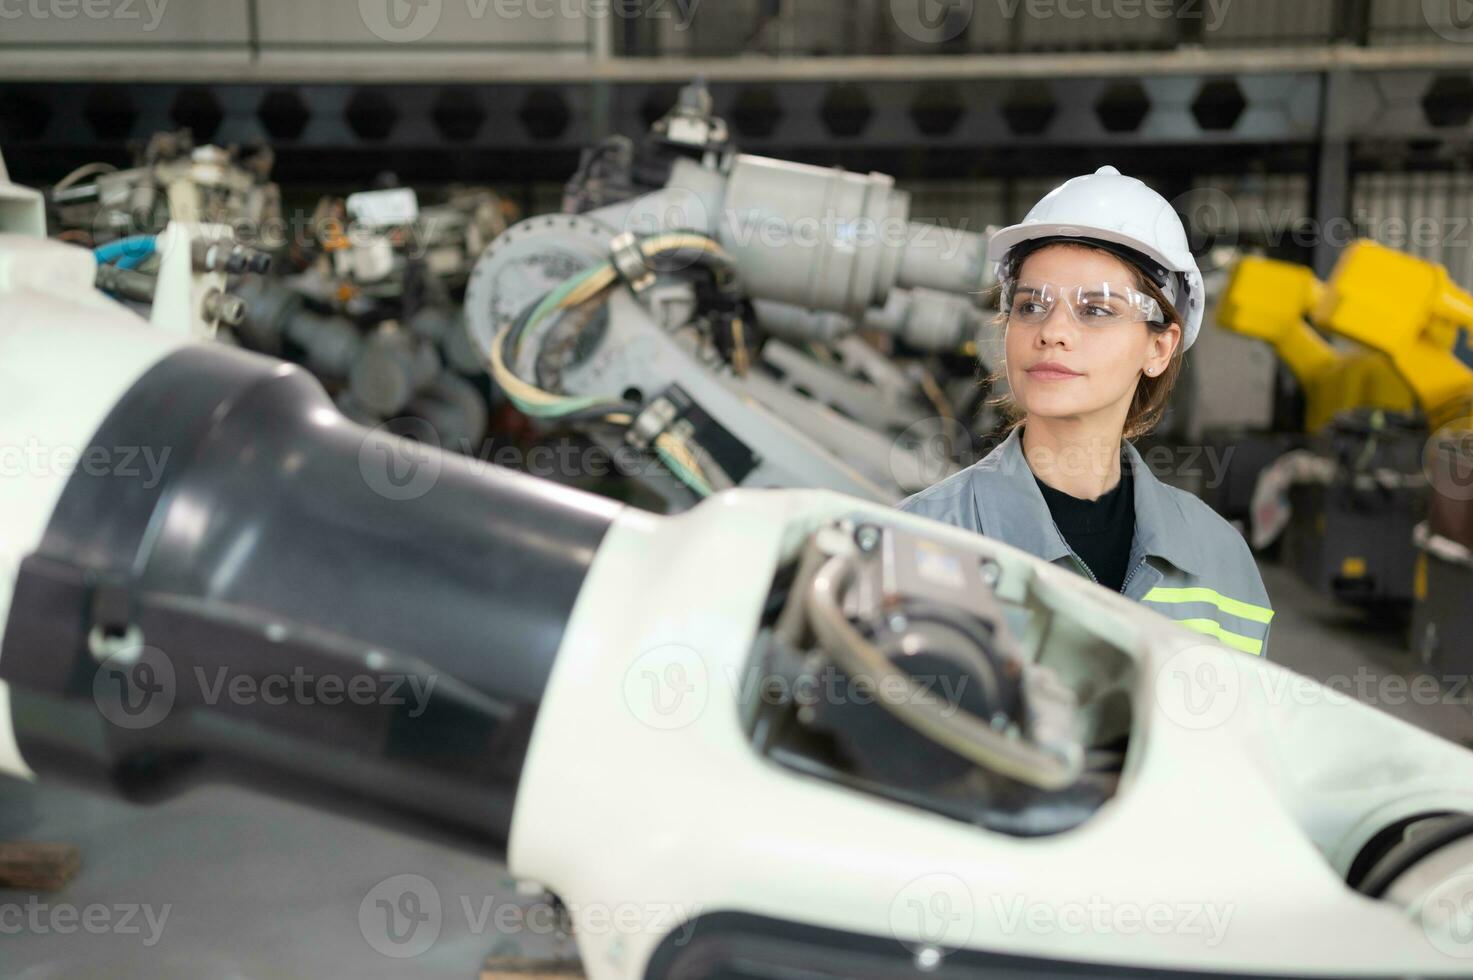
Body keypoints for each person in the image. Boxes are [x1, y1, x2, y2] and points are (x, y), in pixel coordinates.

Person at [900, 166, 1274, 657]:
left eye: (1096, 310)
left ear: (1160, 348)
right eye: (1031, 305)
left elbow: (1237, 731)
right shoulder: (920, 539)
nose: (1052, 331)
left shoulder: (1219, 559)